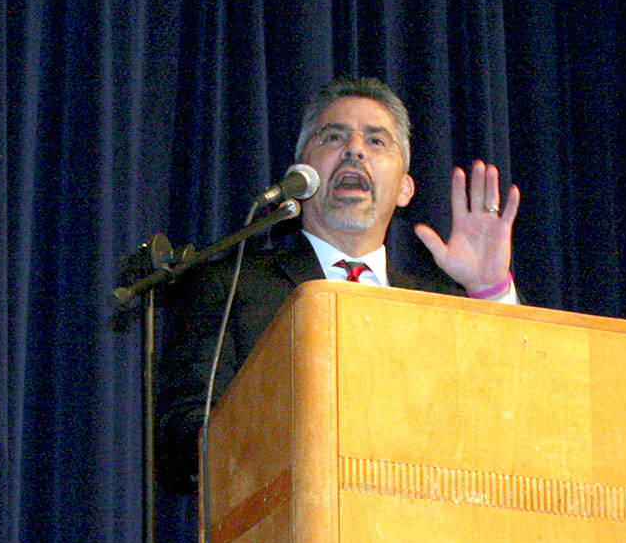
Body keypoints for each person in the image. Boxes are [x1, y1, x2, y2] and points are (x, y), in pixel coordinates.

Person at [155, 76, 520, 491]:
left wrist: (491, 291)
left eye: (376, 141)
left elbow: (510, 423)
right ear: (300, 176)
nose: (355, 150)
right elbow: (179, 444)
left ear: (405, 189)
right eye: (333, 137)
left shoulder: (442, 304)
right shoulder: (231, 286)